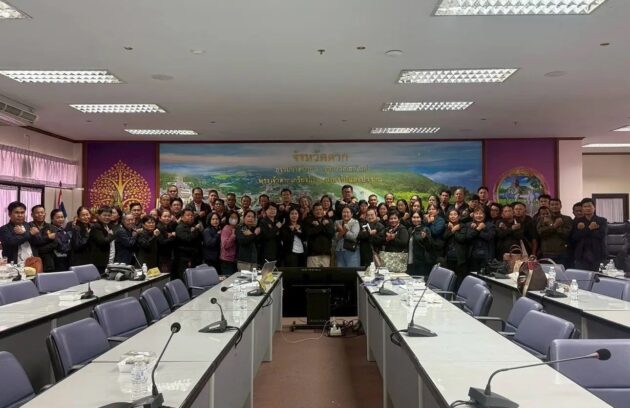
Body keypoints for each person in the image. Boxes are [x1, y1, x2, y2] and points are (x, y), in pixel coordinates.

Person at [571, 198, 607, 271]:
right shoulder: (577, 221)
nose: (587, 208)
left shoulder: (602, 220)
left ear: (594, 207)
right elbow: (575, 237)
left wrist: (583, 231)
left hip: (598, 254)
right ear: (582, 208)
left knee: (598, 276)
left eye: (590, 206)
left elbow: (601, 235)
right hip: (581, 255)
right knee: (582, 276)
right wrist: (590, 228)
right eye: (585, 206)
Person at [537, 199, 572, 265]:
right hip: (547, 252)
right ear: (549, 206)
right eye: (552, 205)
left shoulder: (567, 219)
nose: (554, 206)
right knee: (547, 271)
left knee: (561, 271)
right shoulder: (543, 219)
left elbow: (566, 234)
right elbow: (541, 233)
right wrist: (554, 225)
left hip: (562, 252)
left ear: (561, 206)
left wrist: (552, 226)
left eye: (556, 204)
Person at [443, 209, 469, 287]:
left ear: (459, 216)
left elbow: (461, 238)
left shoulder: (463, 226)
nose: (453, 216)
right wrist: (452, 229)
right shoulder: (447, 226)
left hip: (459, 258)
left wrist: (455, 230)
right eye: (451, 214)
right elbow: (444, 237)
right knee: (449, 280)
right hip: (449, 257)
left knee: (459, 281)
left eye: (455, 214)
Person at [173, 209, 202, 280]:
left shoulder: (192, 226)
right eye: (188, 215)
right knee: (186, 279)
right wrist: (195, 230)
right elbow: (188, 239)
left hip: (193, 257)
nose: (191, 217)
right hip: (184, 259)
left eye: (192, 215)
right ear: (182, 217)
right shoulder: (180, 227)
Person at [304, 202, 335, 267]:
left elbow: (331, 234)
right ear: (313, 211)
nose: (319, 211)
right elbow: (309, 233)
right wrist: (322, 225)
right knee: (313, 273)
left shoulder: (329, 221)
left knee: (325, 273)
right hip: (313, 255)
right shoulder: (309, 221)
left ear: (323, 211)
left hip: (326, 254)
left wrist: (320, 226)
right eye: (316, 210)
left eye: (320, 209)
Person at [466, 208, 496, 273]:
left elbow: (489, 237)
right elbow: (468, 237)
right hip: (472, 256)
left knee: (485, 275)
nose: (478, 215)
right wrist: (478, 229)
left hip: (486, 256)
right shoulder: (469, 225)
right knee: (473, 275)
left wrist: (481, 229)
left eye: (481, 213)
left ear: (484, 215)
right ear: (473, 215)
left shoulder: (490, 225)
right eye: (476, 213)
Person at [407, 211, 436, 277]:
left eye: (418, 217)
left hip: (422, 263)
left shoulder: (425, 229)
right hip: (410, 262)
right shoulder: (410, 229)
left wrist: (425, 238)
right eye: (414, 217)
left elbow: (430, 247)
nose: (416, 219)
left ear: (421, 219)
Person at [89, 206, 116, 274]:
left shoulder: (107, 226)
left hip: (105, 260)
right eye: (104, 215)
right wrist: (110, 235)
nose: (107, 217)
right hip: (98, 261)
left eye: (109, 215)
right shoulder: (96, 226)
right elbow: (103, 241)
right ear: (98, 216)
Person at [156, 209, 176, 274]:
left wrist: (171, 236)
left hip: (168, 255)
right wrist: (173, 236)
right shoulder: (158, 227)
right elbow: (162, 242)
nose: (167, 218)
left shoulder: (169, 226)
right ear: (160, 218)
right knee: (164, 274)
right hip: (162, 256)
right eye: (165, 216)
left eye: (168, 216)